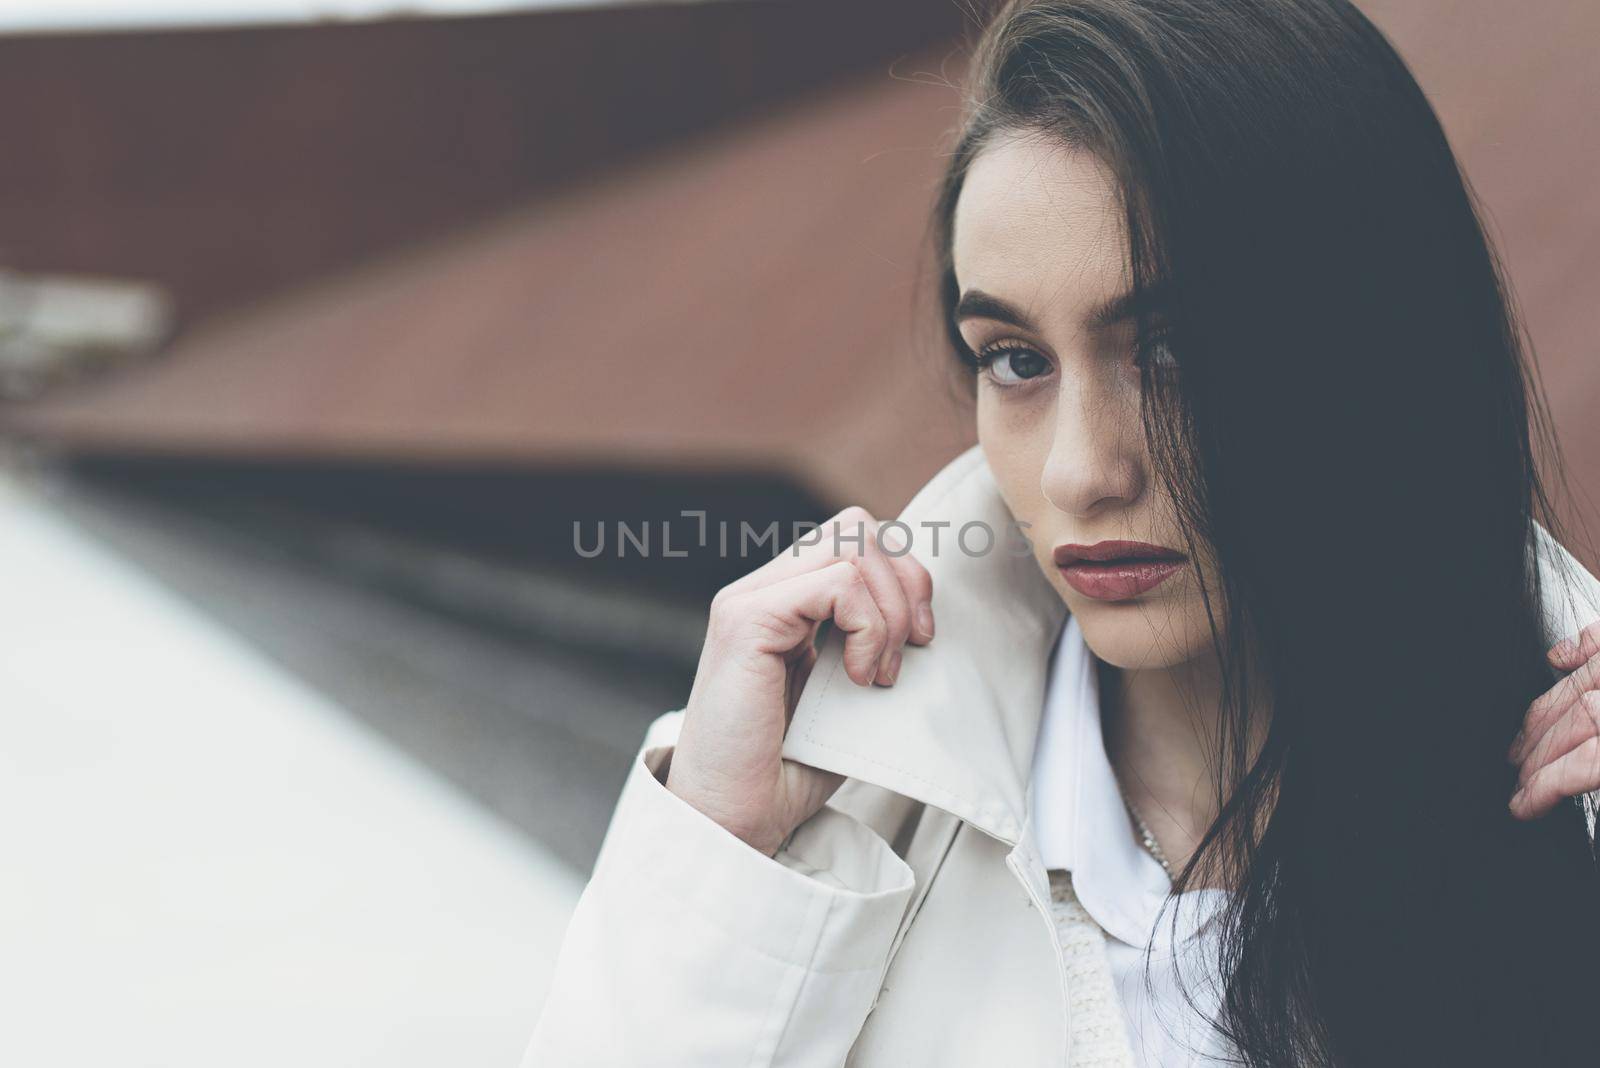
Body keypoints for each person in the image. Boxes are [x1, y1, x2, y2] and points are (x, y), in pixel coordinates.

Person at [524, 1, 1600, 1064]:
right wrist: (718, 857)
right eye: (1016, 360)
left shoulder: (1571, 811)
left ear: (1368, 345)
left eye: (1174, 352)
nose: (1083, 470)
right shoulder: (849, 830)